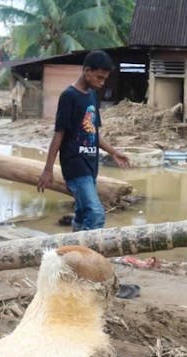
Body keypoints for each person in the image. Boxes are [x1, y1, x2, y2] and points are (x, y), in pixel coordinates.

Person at [38, 51, 130, 231]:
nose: (102, 83)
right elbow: (58, 134)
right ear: (87, 71)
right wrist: (47, 169)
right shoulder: (69, 96)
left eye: (104, 79)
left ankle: (73, 252)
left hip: (90, 165)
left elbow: (93, 133)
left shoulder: (92, 96)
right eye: (99, 77)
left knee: (82, 213)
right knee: (96, 214)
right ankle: (86, 255)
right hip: (75, 165)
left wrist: (113, 152)